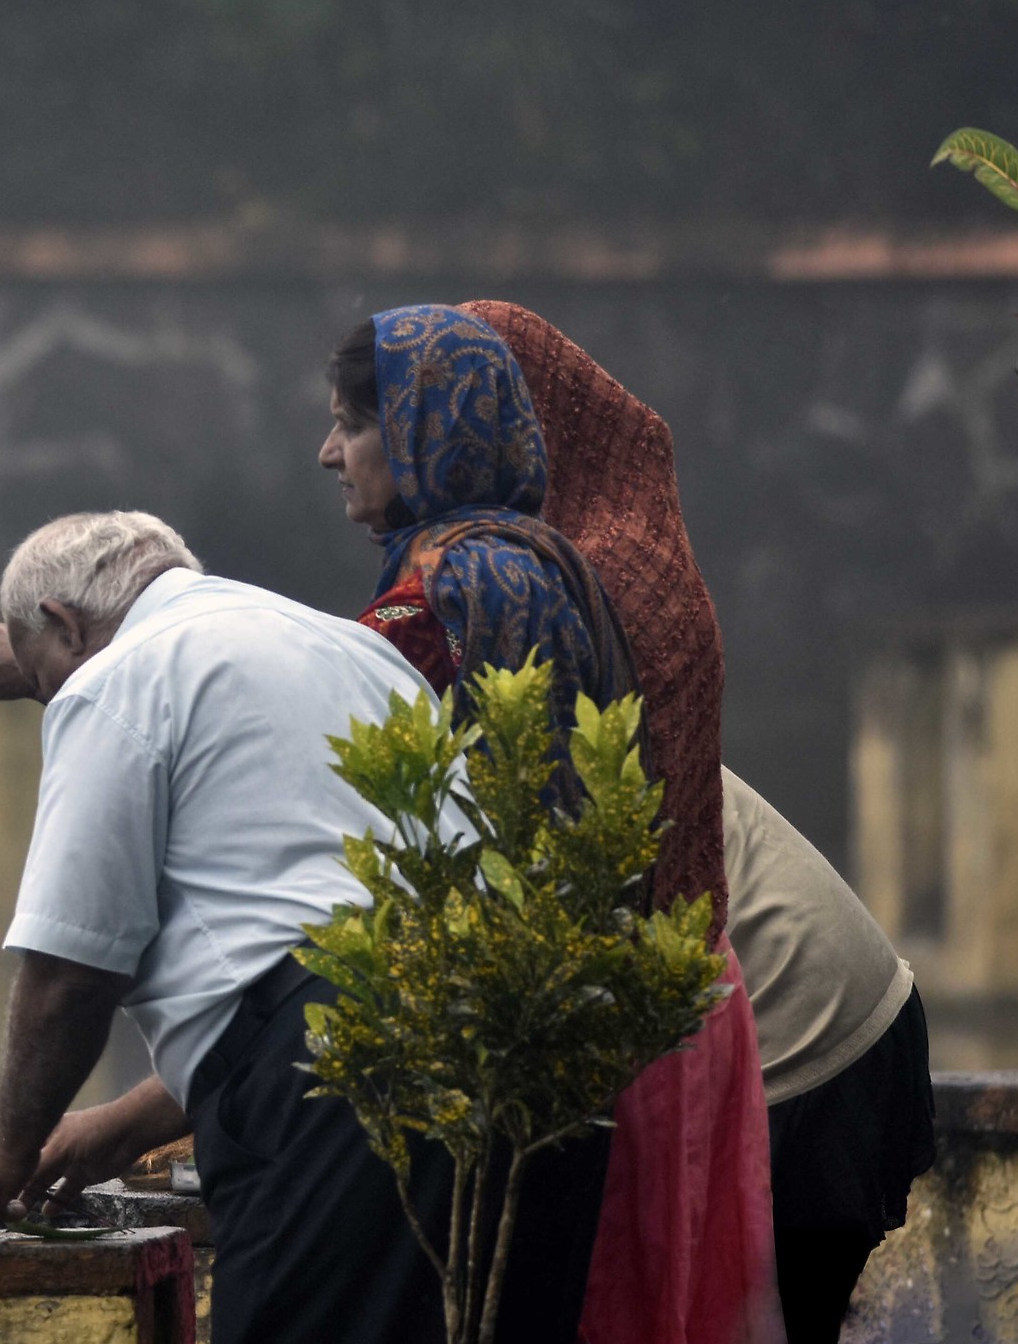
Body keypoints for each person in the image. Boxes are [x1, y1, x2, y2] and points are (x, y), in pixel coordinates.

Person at [0, 509, 604, 1342]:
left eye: (43, 680)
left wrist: (7, 1143)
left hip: (340, 1096)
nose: (50, 697)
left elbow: (73, 974)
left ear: (66, 626)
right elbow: (305, 931)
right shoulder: (353, 648)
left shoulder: (116, 680)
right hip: (525, 1050)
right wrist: (110, 1128)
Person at [459, 300, 932, 1344]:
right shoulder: (534, 583)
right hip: (776, 1009)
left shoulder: (571, 587)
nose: (332, 453)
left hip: (807, 1039)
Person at [322, 303, 781, 1344]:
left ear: (429, 423)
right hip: (632, 1001)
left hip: (540, 1032)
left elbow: (309, 725)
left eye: (351, 422)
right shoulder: (537, 557)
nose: (327, 453)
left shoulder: (457, 585)